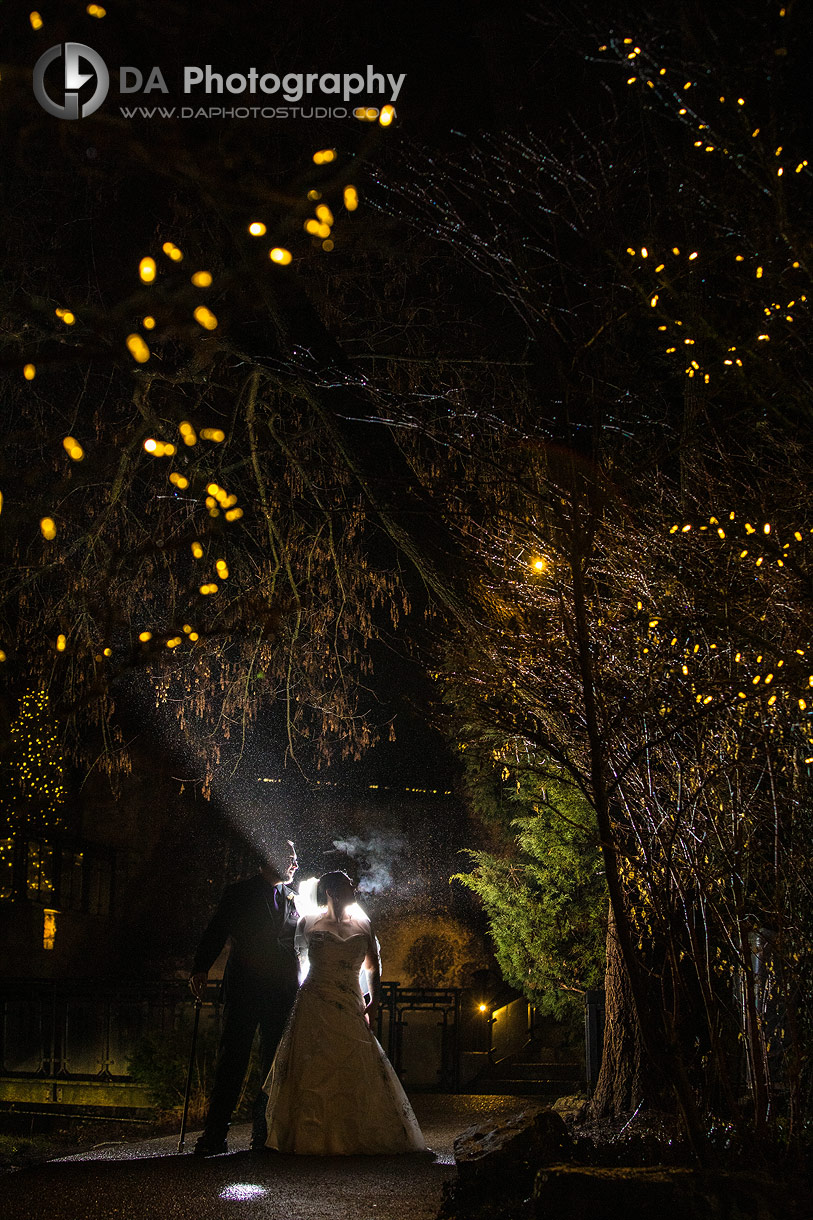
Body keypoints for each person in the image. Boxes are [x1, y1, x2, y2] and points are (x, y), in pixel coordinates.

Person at [262, 870, 426, 1155]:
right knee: (314, 1067)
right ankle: (309, 1136)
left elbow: (373, 965)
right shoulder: (308, 922)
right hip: (314, 1001)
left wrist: (374, 999)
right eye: (348, 885)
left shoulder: (363, 923)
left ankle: (354, 1133)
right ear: (331, 891)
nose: (354, 889)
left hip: (350, 1001)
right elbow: (298, 964)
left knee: (355, 1062)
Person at [188, 839, 300, 1156]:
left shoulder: (293, 897)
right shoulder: (239, 893)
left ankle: (263, 1135)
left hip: (281, 991)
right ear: (270, 858)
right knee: (232, 1062)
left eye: (295, 858)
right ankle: (215, 1135)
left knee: (271, 1065)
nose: (295, 864)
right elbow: (217, 930)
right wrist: (200, 968)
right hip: (244, 989)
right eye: (290, 857)